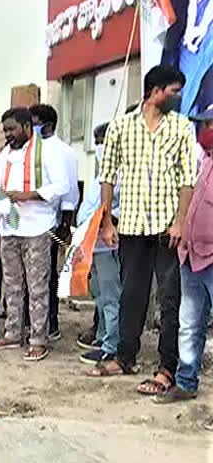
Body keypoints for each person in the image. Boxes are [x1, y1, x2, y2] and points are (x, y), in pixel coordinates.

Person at [88, 65, 197, 396]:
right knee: (130, 295)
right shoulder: (121, 127)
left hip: (167, 229)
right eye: (174, 92)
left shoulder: (182, 128)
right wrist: (107, 221)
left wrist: (180, 221)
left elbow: (187, 179)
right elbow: (107, 176)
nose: (178, 98)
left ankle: (167, 367)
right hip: (132, 227)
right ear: (155, 91)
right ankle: (125, 357)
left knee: (169, 299)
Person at [0, 108, 69, 362]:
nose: (8, 134)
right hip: (10, 227)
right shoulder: (5, 155)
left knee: (37, 286)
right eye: (5, 129)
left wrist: (28, 195)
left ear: (26, 126)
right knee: (11, 284)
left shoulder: (48, 151)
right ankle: (12, 333)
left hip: (37, 228)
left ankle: (38, 339)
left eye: (11, 129)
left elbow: (62, 185)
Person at [154, 105, 213, 403]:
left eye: (210, 124)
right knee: (189, 324)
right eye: (204, 124)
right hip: (190, 257)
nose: (205, 131)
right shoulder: (202, 163)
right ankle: (186, 383)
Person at [29, 104, 79, 341]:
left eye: (35, 122)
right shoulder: (30, 148)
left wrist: (66, 223)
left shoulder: (64, 151)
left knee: (48, 273)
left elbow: (68, 189)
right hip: (29, 219)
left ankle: (51, 323)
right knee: (32, 274)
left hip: (54, 219)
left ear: (47, 125)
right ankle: (33, 321)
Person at [77, 122, 122, 365]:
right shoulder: (102, 173)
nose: (100, 147)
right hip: (91, 243)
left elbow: (119, 209)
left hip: (107, 245)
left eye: (105, 141)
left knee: (110, 295)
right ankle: (104, 336)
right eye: (98, 141)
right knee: (100, 295)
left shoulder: (123, 174)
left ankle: (110, 345)